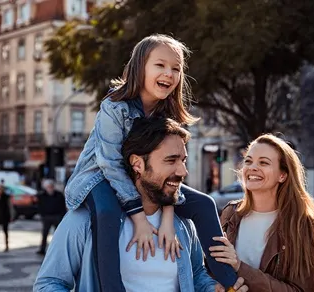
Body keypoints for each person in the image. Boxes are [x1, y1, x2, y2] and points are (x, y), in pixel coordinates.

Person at [63, 34, 237, 290]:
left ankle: (231, 282)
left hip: (144, 180)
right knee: (108, 212)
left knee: (204, 203)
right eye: (160, 65)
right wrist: (140, 219)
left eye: (176, 68)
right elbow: (110, 163)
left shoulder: (167, 113)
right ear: (139, 67)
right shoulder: (114, 106)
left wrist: (168, 217)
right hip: (99, 179)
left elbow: (170, 175)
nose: (169, 73)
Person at [34, 117, 248, 292]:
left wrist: (212, 288)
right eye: (171, 160)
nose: (183, 171)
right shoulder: (86, 221)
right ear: (137, 164)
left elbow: (196, 273)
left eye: (183, 160)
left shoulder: (183, 224)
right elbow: (48, 284)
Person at [212, 134, 314, 291]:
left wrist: (240, 268)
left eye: (264, 162)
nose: (252, 167)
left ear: (282, 175)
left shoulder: (301, 224)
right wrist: (214, 286)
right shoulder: (230, 213)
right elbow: (209, 269)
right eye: (248, 161)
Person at [36, 179, 66, 255]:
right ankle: (42, 249)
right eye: (48, 187)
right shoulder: (42, 196)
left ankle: (59, 249)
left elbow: (63, 206)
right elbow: (39, 206)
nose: (50, 188)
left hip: (57, 216)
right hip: (47, 217)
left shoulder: (59, 195)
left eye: (51, 187)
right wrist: (42, 215)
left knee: (58, 234)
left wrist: (62, 216)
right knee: (45, 233)